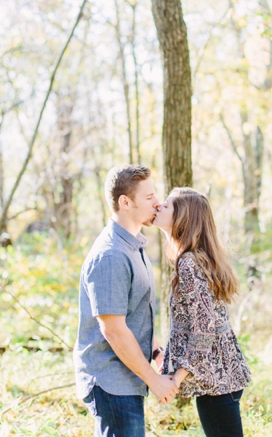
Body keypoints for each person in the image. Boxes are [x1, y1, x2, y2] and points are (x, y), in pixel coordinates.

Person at [74, 165, 178, 437]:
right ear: (125, 202)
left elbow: (134, 315)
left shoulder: (134, 247)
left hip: (127, 379)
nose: (158, 202)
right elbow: (114, 329)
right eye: (149, 197)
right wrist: (154, 380)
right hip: (111, 382)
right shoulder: (110, 256)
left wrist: (157, 354)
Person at [153, 187, 252, 437]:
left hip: (216, 382)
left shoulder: (188, 263)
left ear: (182, 218)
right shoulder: (193, 260)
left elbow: (204, 330)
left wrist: (176, 378)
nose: (159, 207)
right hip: (218, 379)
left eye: (167, 205)